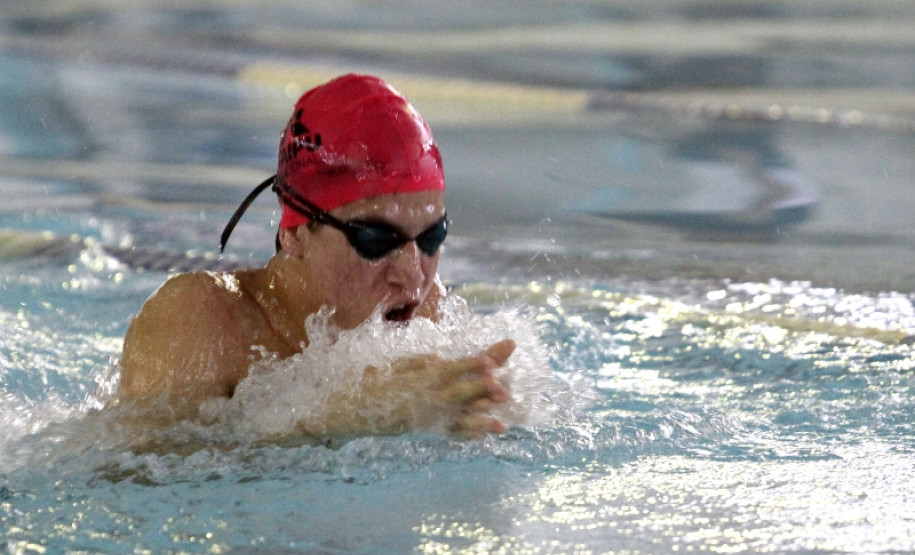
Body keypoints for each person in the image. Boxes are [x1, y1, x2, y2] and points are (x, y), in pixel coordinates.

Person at [118, 74, 515, 438]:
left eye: (432, 237)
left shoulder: (426, 311)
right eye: (376, 241)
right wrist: (341, 422)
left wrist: (485, 405)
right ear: (293, 233)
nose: (413, 278)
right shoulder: (201, 325)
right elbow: (128, 475)